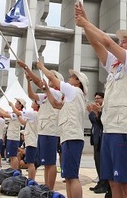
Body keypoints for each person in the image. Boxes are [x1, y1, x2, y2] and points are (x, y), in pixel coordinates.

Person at [75, 2, 127, 198]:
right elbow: (97, 45)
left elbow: (107, 42)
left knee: (126, 183)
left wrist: (86, 23)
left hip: (124, 130)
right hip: (110, 128)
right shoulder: (116, 66)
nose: (121, 42)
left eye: (125, 41)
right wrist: (85, 24)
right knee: (113, 182)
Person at [38, 60, 89, 198]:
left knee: (72, 176)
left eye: (72, 77)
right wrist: (46, 90)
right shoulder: (71, 96)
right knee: (68, 176)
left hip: (72, 137)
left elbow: (53, 79)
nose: (69, 78)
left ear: (78, 82)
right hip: (68, 137)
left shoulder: (74, 91)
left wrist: (42, 67)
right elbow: (55, 104)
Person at [20, 59, 63, 190]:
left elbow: (39, 83)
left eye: (52, 77)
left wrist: (27, 68)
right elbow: (32, 94)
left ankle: (50, 189)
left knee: (50, 163)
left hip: (50, 131)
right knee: (46, 163)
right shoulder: (46, 95)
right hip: (43, 131)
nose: (49, 79)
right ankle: (46, 186)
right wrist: (28, 80)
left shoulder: (57, 92)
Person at [88, 91, 108, 194]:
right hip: (96, 139)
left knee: (102, 163)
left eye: (98, 98)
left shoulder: (105, 109)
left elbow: (101, 123)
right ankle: (100, 182)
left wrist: (96, 112)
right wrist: (92, 112)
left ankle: (105, 185)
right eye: (95, 98)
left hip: (102, 139)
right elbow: (93, 121)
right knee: (97, 161)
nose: (96, 100)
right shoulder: (96, 109)